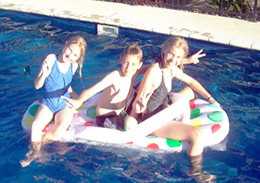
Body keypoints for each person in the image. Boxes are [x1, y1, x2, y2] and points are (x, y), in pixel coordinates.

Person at [125, 36, 219, 183]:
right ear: (164, 50)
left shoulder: (171, 68)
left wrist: (210, 98)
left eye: (178, 57)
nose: (173, 59)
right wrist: (133, 120)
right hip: (153, 120)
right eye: (171, 54)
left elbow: (191, 82)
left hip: (163, 107)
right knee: (196, 134)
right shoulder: (154, 71)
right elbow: (139, 100)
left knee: (190, 91)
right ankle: (195, 171)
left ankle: (173, 109)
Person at [63, 43, 205, 132]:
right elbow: (92, 90)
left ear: (138, 65)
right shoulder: (115, 76)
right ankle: (75, 97)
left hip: (121, 112)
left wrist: (186, 60)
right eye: (126, 63)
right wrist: (79, 101)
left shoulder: (135, 71)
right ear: (121, 60)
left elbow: (160, 65)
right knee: (131, 123)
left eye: (133, 64)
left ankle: (72, 93)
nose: (129, 67)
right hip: (107, 117)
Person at [20, 35, 87, 167]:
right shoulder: (51, 59)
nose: (70, 56)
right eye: (70, 50)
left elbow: (68, 87)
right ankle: (35, 153)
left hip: (64, 104)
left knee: (59, 131)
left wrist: (79, 99)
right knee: (35, 126)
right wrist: (44, 75)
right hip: (48, 103)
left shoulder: (73, 66)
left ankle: (39, 145)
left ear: (78, 58)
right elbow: (37, 85)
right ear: (65, 44)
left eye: (75, 55)